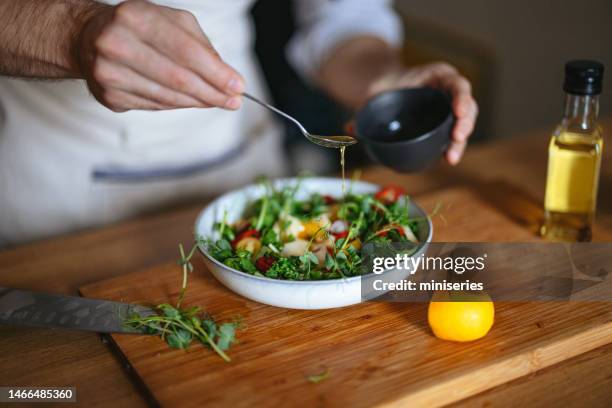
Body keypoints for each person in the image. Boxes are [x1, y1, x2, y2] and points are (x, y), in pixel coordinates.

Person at [0, 0, 478, 246]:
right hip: (57, 197)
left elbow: (343, 20)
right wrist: (73, 34)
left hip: (238, 162)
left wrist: (386, 79)